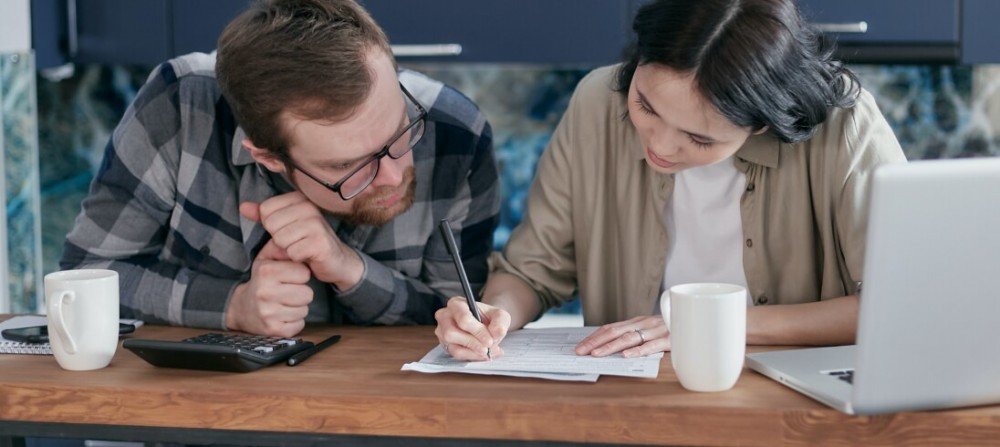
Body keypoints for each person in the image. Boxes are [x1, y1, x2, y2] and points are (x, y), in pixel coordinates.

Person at [434, 0, 906, 361]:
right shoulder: (598, 100)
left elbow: (902, 304)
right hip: (637, 396)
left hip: (796, 405)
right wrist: (493, 318)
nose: (658, 145)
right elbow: (530, 271)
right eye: (645, 106)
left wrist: (714, 326)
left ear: (762, 123)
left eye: (699, 139)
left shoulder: (846, 129)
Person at [61, 0, 499, 337]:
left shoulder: (456, 133)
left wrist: (349, 268)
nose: (392, 174)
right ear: (267, 156)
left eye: (400, 133)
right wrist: (232, 306)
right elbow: (85, 278)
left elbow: (460, 317)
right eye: (348, 165)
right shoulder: (179, 108)